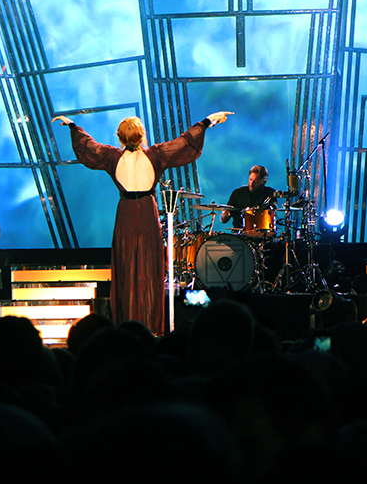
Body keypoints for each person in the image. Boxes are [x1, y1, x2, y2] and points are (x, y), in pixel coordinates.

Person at [52, 111, 232, 334]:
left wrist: (72, 126)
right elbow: (184, 143)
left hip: (127, 214)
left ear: (120, 137)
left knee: (127, 268)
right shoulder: (155, 155)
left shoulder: (112, 157)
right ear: (142, 136)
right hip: (146, 213)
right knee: (148, 268)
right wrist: (207, 121)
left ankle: (126, 327)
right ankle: (150, 326)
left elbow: (88, 147)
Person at [219, 165, 277, 233]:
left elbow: (272, 212)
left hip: (262, 233)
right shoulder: (238, 193)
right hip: (239, 234)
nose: (251, 183)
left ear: (264, 182)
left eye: (255, 181)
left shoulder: (269, 193)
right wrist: (224, 215)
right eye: (250, 179)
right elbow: (224, 220)